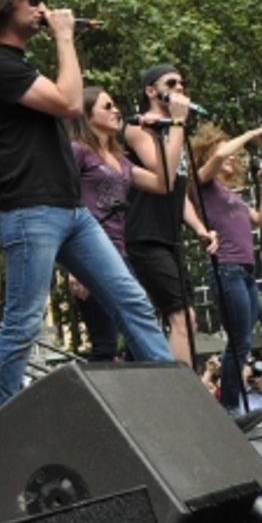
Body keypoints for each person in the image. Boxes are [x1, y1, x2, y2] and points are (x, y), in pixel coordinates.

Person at [0, 0, 173, 408]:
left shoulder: (20, 64)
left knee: (131, 301)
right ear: (5, 2)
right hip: (30, 210)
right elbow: (70, 103)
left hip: (71, 209)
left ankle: (179, 406)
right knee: (22, 323)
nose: (43, 7)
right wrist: (64, 37)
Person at [66, 86, 188, 361]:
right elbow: (65, 202)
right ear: (87, 115)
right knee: (106, 343)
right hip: (88, 252)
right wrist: (74, 269)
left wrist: (172, 128)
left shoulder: (121, 161)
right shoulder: (78, 151)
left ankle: (154, 382)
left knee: (138, 331)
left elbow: (164, 183)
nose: (116, 111)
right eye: (107, 106)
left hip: (119, 253)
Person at [123, 64, 221, 367]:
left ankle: (155, 384)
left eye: (182, 83)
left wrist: (199, 228)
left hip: (170, 237)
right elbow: (162, 175)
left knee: (186, 318)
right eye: (172, 83)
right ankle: (187, 393)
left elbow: (178, 191)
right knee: (182, 317)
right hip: (144, 235)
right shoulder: (139, 128)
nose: (180, 87)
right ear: (151, 91)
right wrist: (177, 123)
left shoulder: (174, 132)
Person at [189, 122, 262, 417]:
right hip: (227, 269)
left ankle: (232, 406)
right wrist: (250, 135)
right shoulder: (203, 183)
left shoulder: (232, 196)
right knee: (239, 341)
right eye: (226, 151)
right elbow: (218, 156)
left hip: (246, 272)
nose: (232, 156)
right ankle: (229, 407)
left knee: (243, 341)